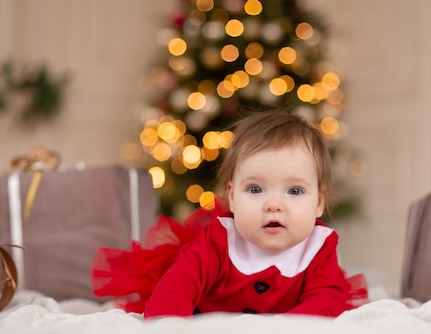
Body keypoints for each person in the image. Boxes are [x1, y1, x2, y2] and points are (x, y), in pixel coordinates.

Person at [91, 109, 367, 317]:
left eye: (294, 191)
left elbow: (325, 300)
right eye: (256, 189)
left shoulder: (318, 247)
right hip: (210, 323)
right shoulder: (220, 239)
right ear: (232, 197)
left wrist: (287, 332)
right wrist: (169, 323)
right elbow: (180, 282)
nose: (273, 204)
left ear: (318, 203)